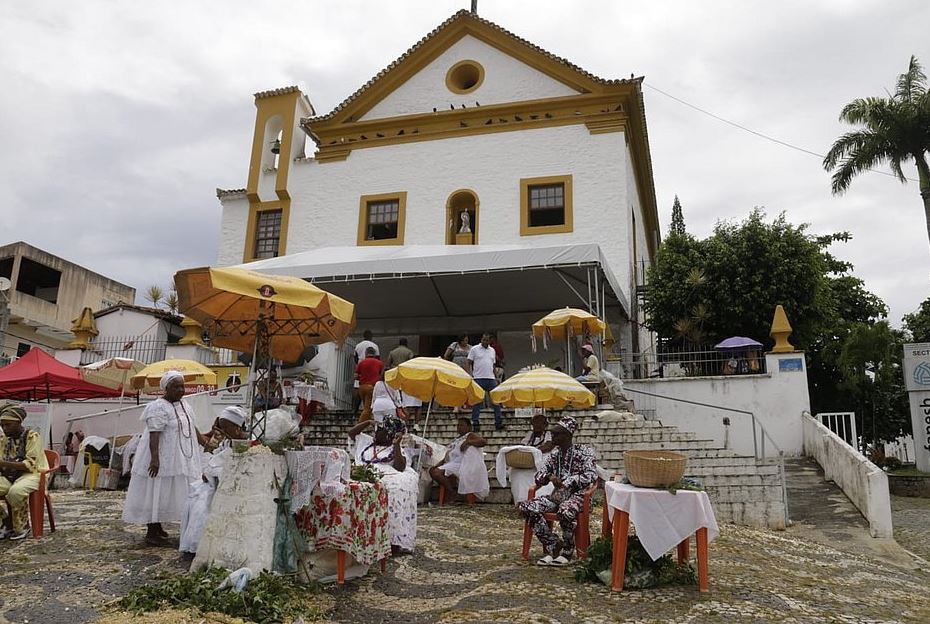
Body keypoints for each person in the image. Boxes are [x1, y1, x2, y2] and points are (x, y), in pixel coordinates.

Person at [122, 371, 204, 546]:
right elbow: (154, 434)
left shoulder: (185, 405)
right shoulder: (157, 407)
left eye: (183, 386)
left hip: (181, 457)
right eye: (176, 387)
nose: (181, 390)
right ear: (166, 388)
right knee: (156, 489)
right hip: (162, 456)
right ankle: (151, 531)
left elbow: (190, 425)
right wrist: (155, 459)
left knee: (172, 490)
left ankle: (158, 526)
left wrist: (204, 441)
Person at [519, 416, 597, 567]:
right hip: (556, 497)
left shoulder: (584, 452)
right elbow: (539, 475)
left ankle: (568, 550)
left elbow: (591, 476)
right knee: (526, 507)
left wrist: (568, 481)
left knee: (565, 510)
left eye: (556, 434)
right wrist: (549, 476)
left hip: (578, 496)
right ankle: (553, 544)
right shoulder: (555, 454)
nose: (552, 436)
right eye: (552, 433)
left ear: (567, 435)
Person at [179, 406, 248, 556]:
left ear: (236, 426)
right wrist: (208, 472)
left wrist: (212, 474)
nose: (222, 430)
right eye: (220, 426)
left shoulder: (247, 443)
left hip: (231, 483)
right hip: (215, 480)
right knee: (196, 500)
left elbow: (236, 466)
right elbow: (215, 456)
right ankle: (195, 544)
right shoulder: (227, 441)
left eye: (225, 427)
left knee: (204, 504)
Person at [348, 415, 418, 554]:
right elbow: (351, 433)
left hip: (387, 475)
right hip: (363, 472)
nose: (375, 432)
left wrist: (397, 445)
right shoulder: (366, 443)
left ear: (388, 435)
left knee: (393, 489)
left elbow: (400, 467)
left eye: (380, 430)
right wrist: (367, 421)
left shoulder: (394, 448)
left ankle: (391, 539)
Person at [0, 403, 49, 540]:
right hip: (9, 474)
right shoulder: (3, 440)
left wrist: (3, 463)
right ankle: (6, 523)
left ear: (18, 423)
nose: (4, 428)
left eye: (7, 425)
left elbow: (29, 465)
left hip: (33, 474)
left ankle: (22, 527)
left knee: (15, 491)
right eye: (2, 425)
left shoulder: (33, 437)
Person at [429, 417, 489, 501]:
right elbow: (448, 455)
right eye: (458, 425)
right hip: (451, 463)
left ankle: (452, 492)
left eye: (462, 425)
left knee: (436, 473)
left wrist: (468, 442)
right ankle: (451, 491)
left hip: (462, 464)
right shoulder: (456, 439)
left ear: (469, 427)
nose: (459, 427)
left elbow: (483, 442)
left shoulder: (469, 435)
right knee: (432, 470)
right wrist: (438, 464)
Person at [467, 332, 503, 431]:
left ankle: (498, 422)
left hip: (491, 378)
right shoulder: (474, 349)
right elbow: (469, 362)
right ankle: (475, 422)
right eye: (484, 340)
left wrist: (496, 377)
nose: (485, 342)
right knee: (477, 401)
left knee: (496, 401)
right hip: (478, 378)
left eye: (487, 340)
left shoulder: (492, 350)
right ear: (481, 339)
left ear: (490, 341)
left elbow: (493, 365)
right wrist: (469, 375)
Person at [355, 347, 384, 423]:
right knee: (367, 409)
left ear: (366, 353)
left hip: (362, 387)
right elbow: (382, 375)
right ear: (374, 354)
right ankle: (359, 426)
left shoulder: (361, 363)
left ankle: (367, 422)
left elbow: (355, 376)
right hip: (372, 387)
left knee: (366, 406)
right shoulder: (379, 363)